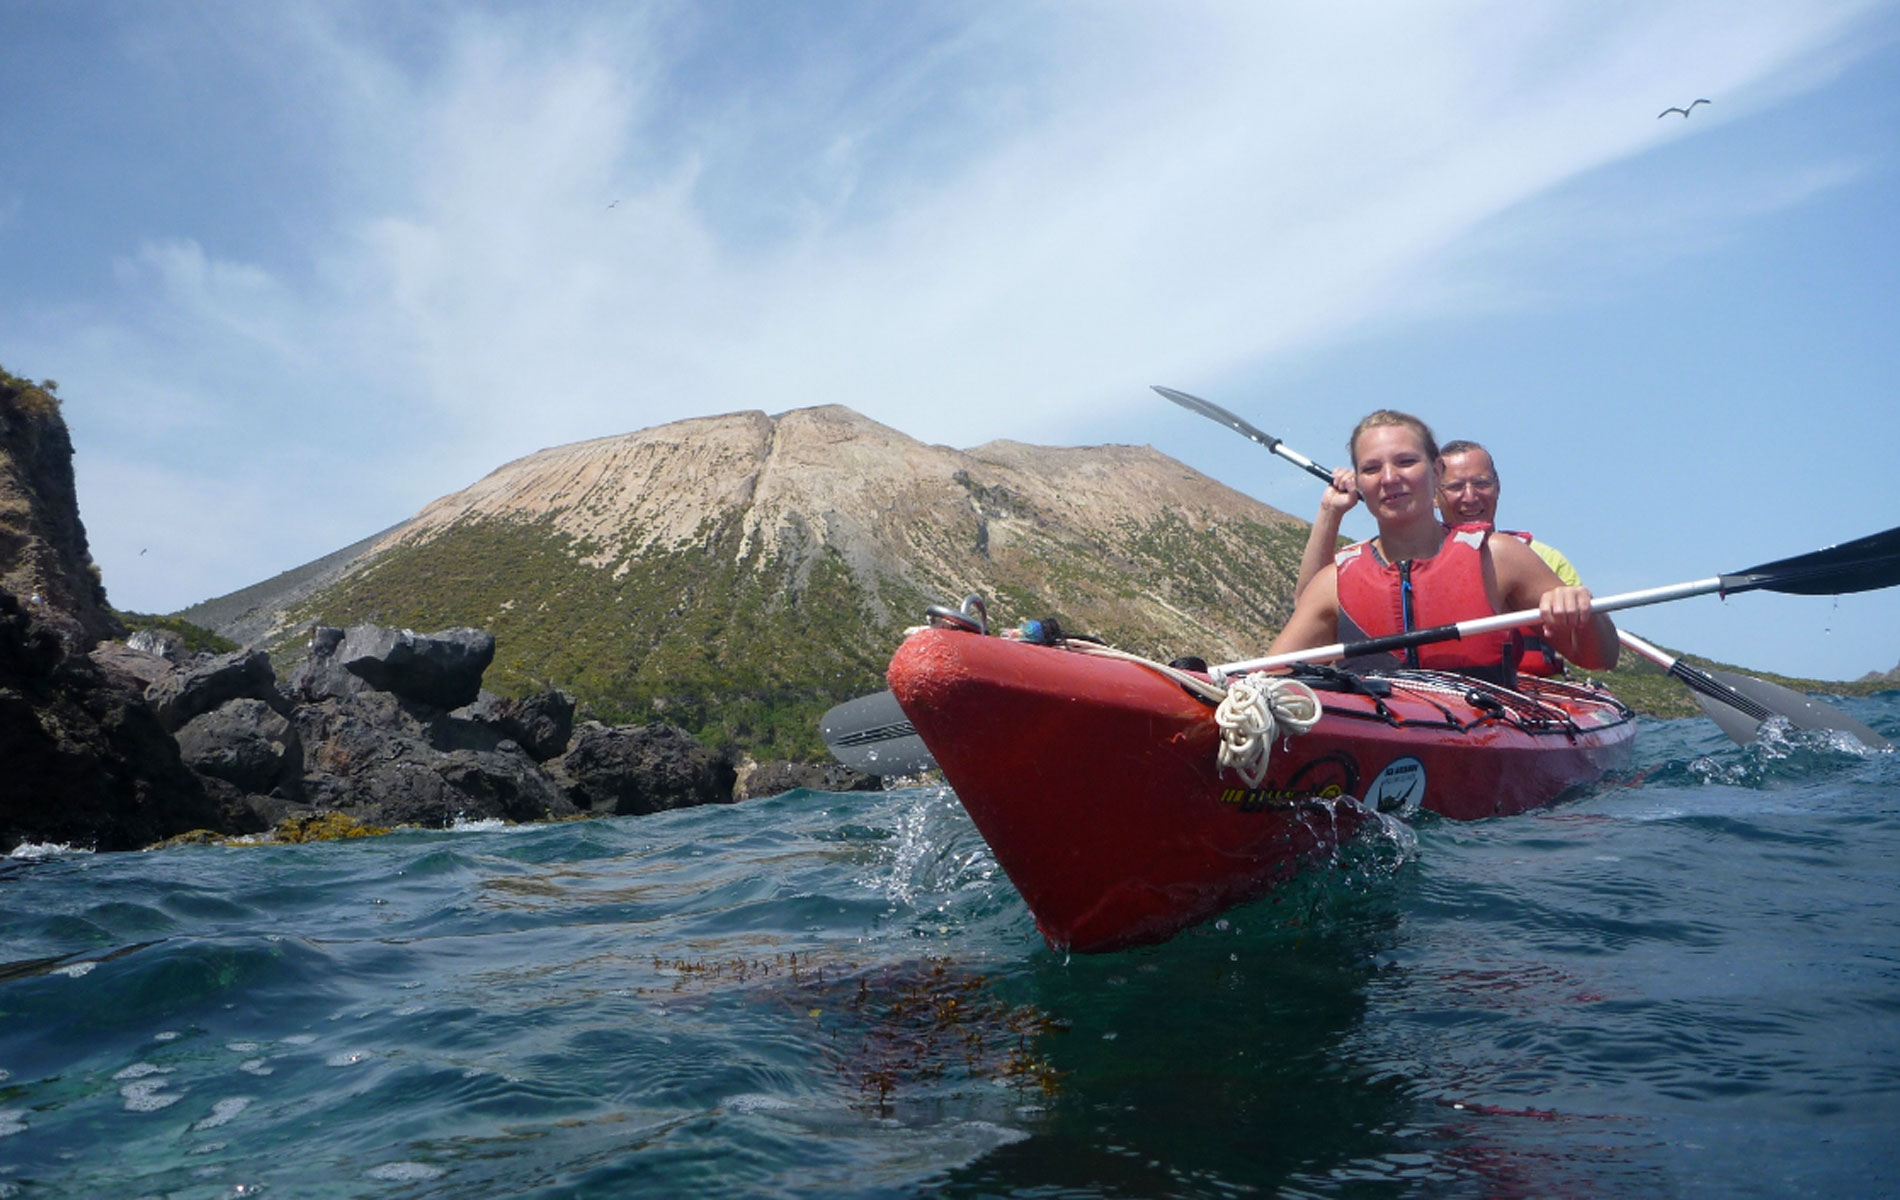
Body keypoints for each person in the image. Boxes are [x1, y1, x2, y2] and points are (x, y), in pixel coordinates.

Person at [1269, 410, 1617, 679]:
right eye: (1372, 469)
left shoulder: (1501, 557)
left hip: (1488, 743)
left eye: (1406, 462)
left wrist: (1585, 615)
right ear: (1358, 482)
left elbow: (1601, 658)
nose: (1390, 478)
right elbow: (1266, 678)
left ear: (1436, 472)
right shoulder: (1332, 583)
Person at [1436, 440, 1579, 586]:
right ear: (1433, 496)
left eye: (1481, 484)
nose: (1470, 497)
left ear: (1498, 487)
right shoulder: (1417, 564)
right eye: (1456, 487)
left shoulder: (1546, 558)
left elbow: (1588, 607)